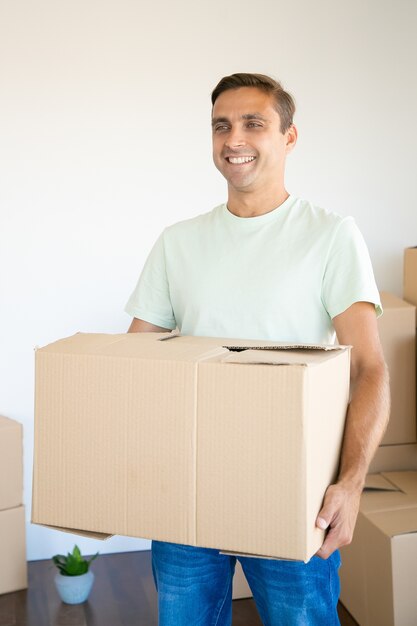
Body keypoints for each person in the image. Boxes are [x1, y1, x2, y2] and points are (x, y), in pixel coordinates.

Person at [125, 73, 390, 626]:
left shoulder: (330, 235)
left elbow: (369, 368)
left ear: (289, 137)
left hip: (295, 489)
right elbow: (136, 364)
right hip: (188, 484)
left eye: (254, 123)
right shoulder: (179, 242)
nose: (233, 139)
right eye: (221, 126)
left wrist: (350, 483)